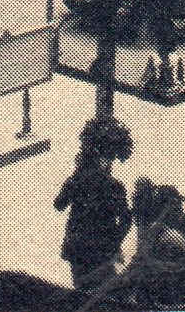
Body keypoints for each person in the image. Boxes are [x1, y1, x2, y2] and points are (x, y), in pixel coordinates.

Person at [54, 117, 133, 290]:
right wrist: (114, 240)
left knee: (82, 290)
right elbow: (126, 220)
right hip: (103, 249)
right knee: (101, 292)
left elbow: (59, 204)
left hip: (78, 247)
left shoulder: (77, 180)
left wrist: (75, 177)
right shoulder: (115, 187)